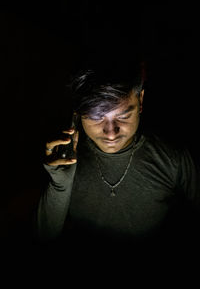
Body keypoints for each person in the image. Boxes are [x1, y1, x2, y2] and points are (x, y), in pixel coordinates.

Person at [33, 57, 200, 257]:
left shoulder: (173, 158)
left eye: (123, 116)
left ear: (140, 101)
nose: (111, 133)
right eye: (96, 117)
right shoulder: (63, 157)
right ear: (78, 114)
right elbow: (44, 236)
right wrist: (59, 185)